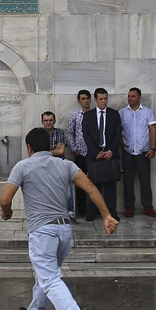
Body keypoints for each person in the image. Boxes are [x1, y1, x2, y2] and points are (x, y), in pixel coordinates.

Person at [0, 127, 117, 310]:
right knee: (46, 278)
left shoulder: (23, 166)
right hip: (64, 231)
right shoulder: (65, 165)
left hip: (42, 232)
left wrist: (7, 212)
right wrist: (106, 216)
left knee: (51, 280)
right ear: (49, 146)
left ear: (29, 148)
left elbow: (4, 199)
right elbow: (91, 188)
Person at [81, 88, 123, 222]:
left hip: (110, 153)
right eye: (101, 99)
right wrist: (95, 152)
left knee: (110, 184)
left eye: (105, 98)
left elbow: (118, 134)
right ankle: (92, 211)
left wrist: (110, 151)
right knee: (93, 184)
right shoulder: (88, 116)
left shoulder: (114, 114)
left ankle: (111, 211)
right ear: (95, 100)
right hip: (94, 154)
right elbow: (86, 136)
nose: (104, 101)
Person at [118, 87, 156, 218]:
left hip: (144, 152)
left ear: (139, 98)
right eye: (129, 96)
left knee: (145, 180)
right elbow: (118, 132)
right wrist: (123, 146)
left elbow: (153, 130)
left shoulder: (147, 112)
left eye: (133, 96)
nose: (130, 98)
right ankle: (129, 207)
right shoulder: (122, 113)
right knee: (128, 181)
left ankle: (148, 207)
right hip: (128, 151)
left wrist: (153, 148)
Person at [39, 111, 73, 220]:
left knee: (67, 185)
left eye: (50, 120)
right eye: (46, 120)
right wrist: (55, 149)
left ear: (54, 121)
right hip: (42, 163)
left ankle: (70, 211)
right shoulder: (38, 133)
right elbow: (37, 152)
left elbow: (61, 151)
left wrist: (46, 150)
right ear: (42, 121)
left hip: (58, 162)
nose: (48, 123)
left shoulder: (59, 132)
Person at [65, 90, 91, 219]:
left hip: (93, 153)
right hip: (80, 153)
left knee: (94, 181)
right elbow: (70, 132)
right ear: (78, 101)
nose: (85, 101)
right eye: (83, 99)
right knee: (80, 181)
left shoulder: (95, 114)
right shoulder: (75, 115)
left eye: (87, 98)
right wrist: (74, 148)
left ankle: (93, 209)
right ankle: (81, 209)